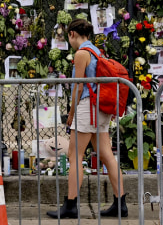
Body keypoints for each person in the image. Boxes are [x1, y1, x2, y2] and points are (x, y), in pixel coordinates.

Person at [47, 19, 127, 219]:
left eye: (68, 36)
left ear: (72, 34)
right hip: (100, 108)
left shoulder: (81, 53)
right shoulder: (97, 52)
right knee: (107, 155)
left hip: (87, 108)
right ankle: (120, 203)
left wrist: (71, 114)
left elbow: (78, 86)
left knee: (75, 156)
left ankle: (71, 205)